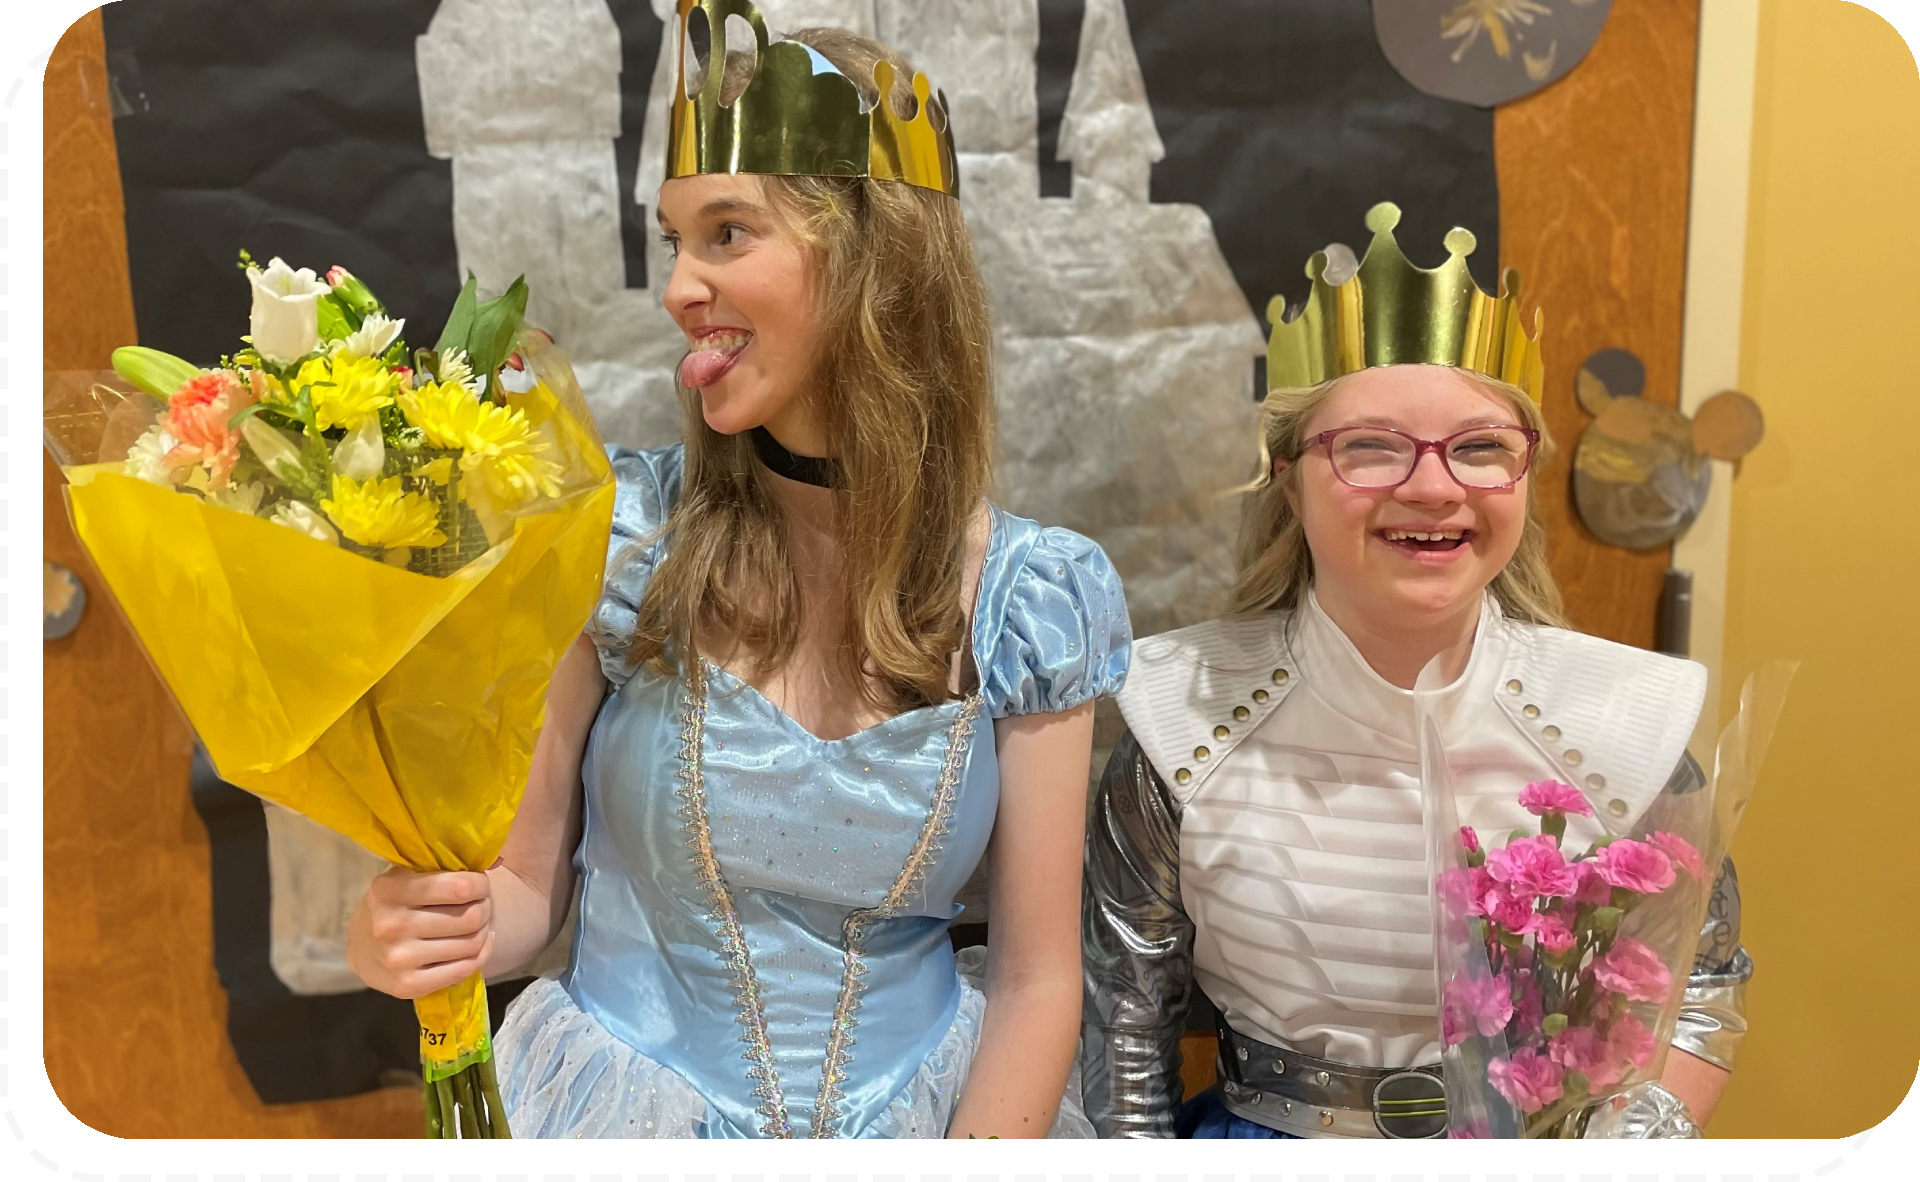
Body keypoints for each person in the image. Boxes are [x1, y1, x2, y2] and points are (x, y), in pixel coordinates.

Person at [347, 5, 1129, 1139]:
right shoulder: (621, 541)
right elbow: (526, 895)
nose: (678, 288)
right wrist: (422, 930)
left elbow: (1038, 981)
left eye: (726, 233)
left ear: (877, 256)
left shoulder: (1033, 601)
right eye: (675, 241)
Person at [1078, 203, 1750, 1140]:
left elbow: (1706, 981)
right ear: (1287, 478)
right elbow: (1123, 1031)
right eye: (1370, 447)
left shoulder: (1620, 732)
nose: (1433, 489)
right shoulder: (1179, 725)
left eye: (1481, 449)